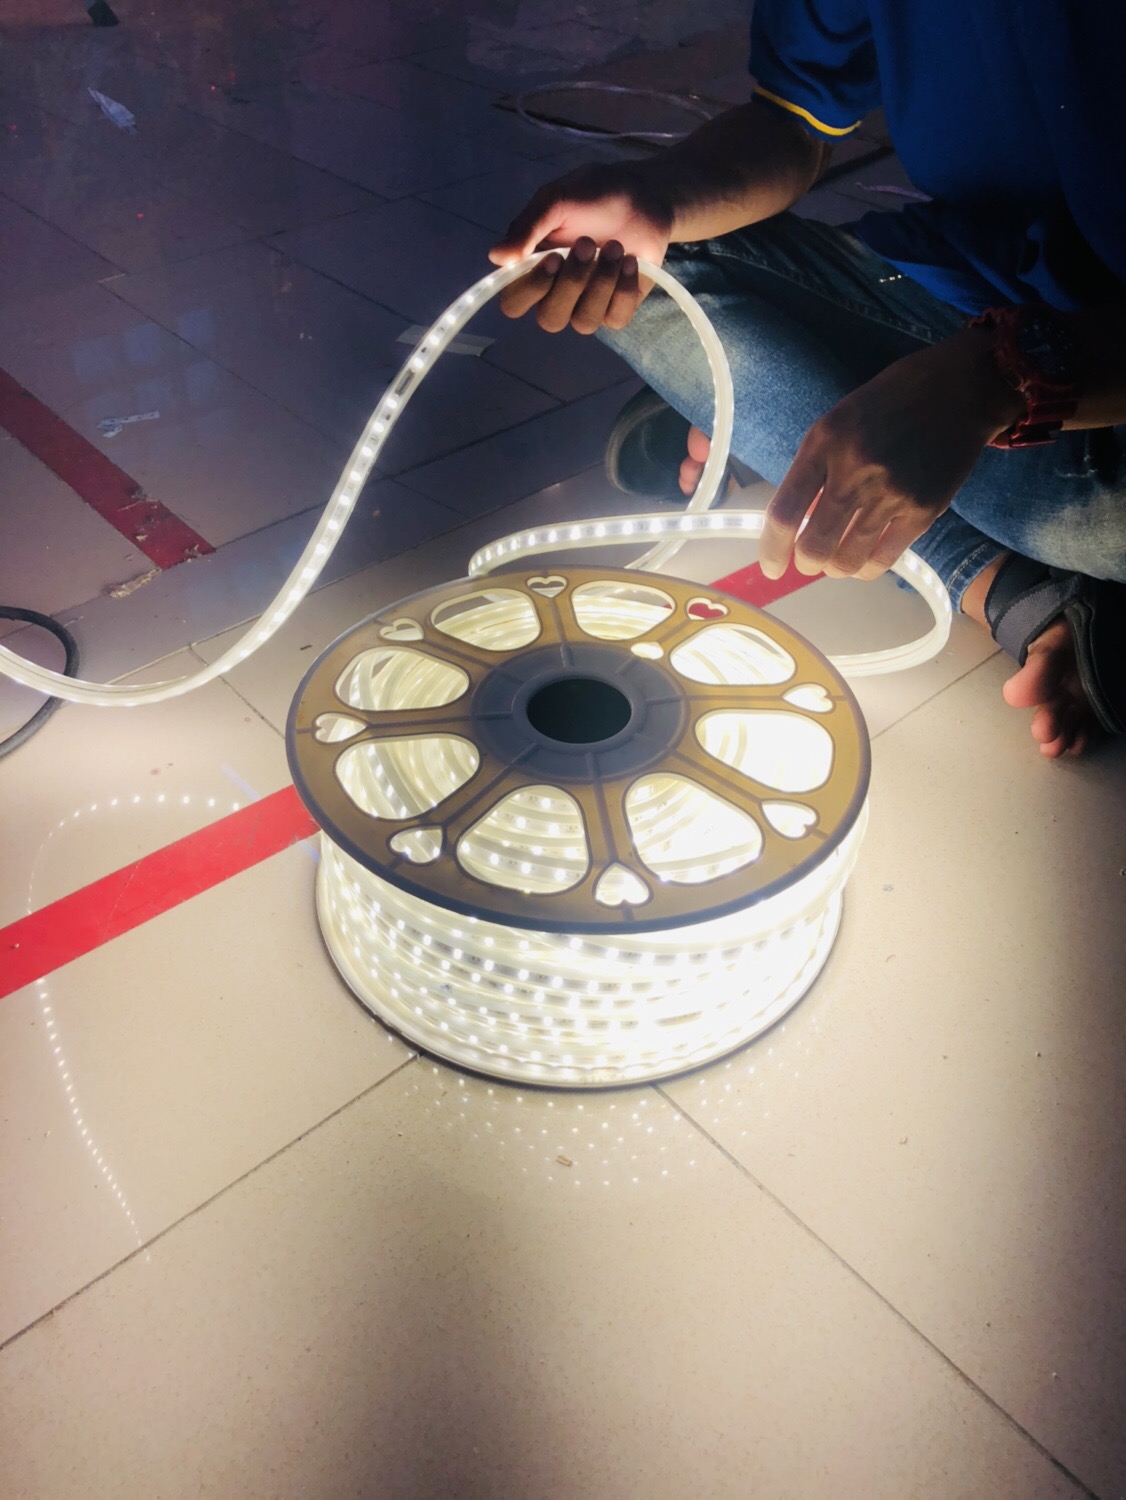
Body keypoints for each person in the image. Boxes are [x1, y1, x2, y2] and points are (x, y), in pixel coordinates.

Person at [488, 0, 1126, 758]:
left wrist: (993, 382)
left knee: (1097, 527)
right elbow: (790, 123)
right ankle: (1007, 579)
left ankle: (785, 415)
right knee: (629, 264)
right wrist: (655, 197)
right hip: (962, 277)